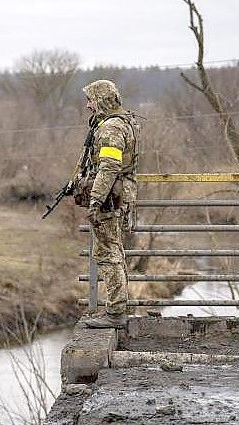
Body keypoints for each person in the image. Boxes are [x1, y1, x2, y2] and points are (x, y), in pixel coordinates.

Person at [73, 80, 140, 328]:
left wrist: (95, 199)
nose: (88, 105)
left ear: (101, 100)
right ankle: (117, 308)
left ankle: (115, 312)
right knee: (114, 250)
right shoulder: (122, 121)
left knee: (107, 253)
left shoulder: (111, 128)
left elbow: (109, 167)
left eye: (91, 99)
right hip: (118, 195)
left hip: (110, 198)